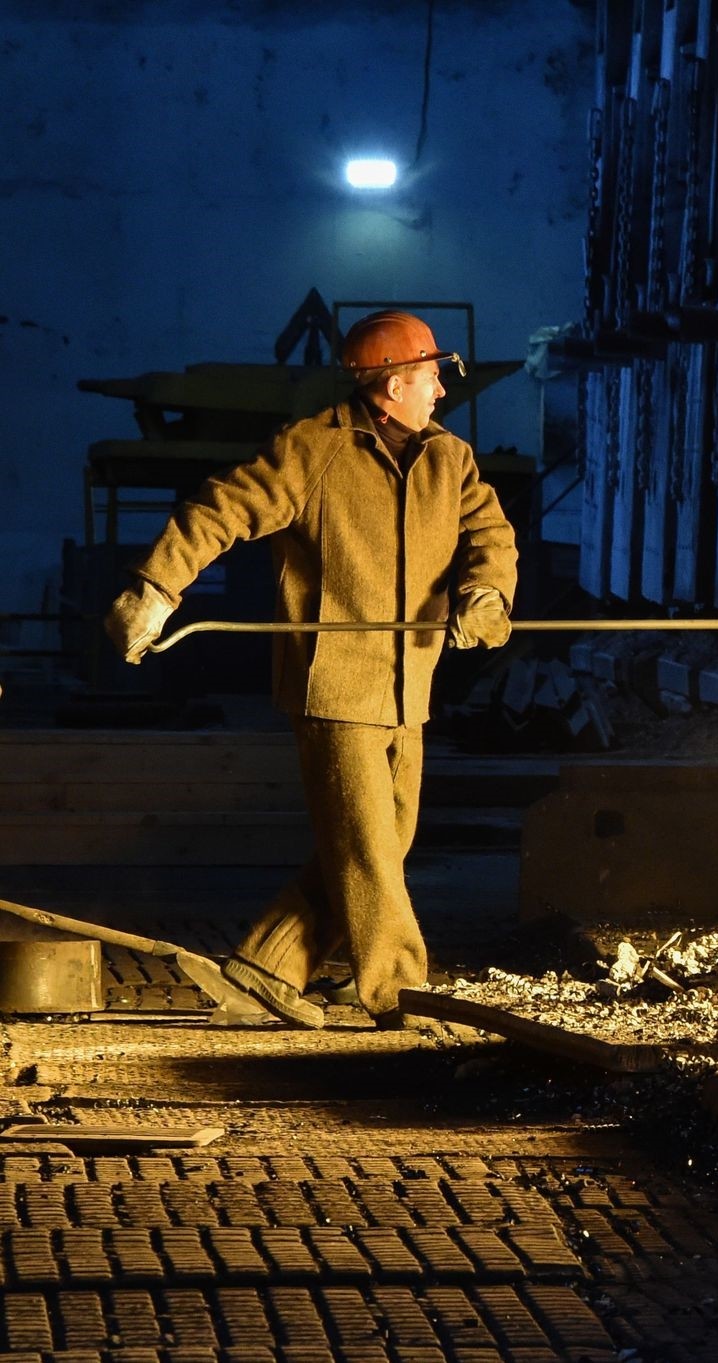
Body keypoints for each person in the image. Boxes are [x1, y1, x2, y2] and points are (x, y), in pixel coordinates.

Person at [104, 311, 517, 1029]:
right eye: (427, 379)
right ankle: (397, 989)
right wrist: (157, 587)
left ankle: (269, 966)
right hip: (336, 679)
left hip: (407, 682)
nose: (439, 394)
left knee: (385, 839)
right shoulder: (312, 450)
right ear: (391, 386)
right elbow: (221, 509)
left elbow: (489, 532)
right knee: (365, 847)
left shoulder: (449, 459)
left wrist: (484, 591)